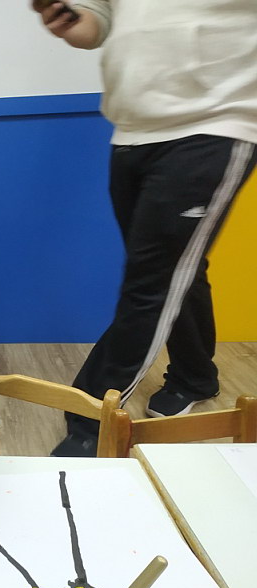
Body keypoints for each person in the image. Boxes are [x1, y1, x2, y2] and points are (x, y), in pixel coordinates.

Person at [33, 1, 257, 456]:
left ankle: (89, 424)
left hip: (213, 124)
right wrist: (70, 18)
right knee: (177, 271)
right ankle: (195, 375)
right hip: (132, 133)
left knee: (150, 284)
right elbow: (96, 27)